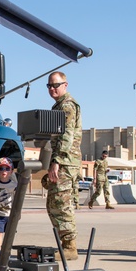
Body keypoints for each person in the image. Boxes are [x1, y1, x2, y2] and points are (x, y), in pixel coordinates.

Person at [45, 72, 83, 260]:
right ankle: (65, 243)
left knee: (62, 203)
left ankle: (70, 247)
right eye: (49, 86)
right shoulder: (58, 106)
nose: (52, 89)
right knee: (53, 203)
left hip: (66, 161)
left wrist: (57, 161)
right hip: (62, 160)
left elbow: (66, 136)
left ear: (65, 85)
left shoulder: (67, 106)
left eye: (56, 85)